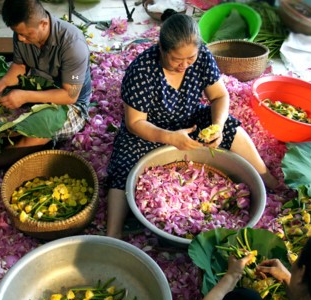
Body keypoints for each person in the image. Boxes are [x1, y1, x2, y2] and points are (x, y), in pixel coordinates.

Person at [105, 11, 279, 239]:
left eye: (190, 58)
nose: (184, 65)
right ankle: (112, 235)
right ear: (161, 48)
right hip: (149, 129)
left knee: (230, 127)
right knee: (122, 165)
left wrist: (216, 125)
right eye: (177, 59)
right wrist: (170, 138)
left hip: (188, 118)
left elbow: (220, 97)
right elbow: (135, 122)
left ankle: (267, 180)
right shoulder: (141, 71)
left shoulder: (203, 57)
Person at [0, 0, 92, 168]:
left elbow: (70, 95)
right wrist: (3, 81)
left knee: (35, 130)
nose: (20, 38)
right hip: (36, 89)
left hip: (72, 105)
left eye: (26, 35)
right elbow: (19, 65)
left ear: (43, 24)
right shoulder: (22, 34)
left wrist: (25, 96)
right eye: (17, 33)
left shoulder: (73, 44)